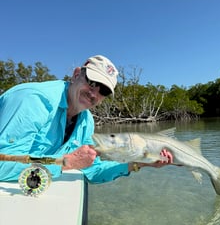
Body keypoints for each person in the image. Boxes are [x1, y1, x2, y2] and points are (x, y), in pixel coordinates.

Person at [0, 55, 173, 183]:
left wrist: (139, 163)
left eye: (103, 91)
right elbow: (2, 165)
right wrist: (65, 163)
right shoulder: (32, 100)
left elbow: (93, 170)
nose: (93, 93)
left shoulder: (86, 121)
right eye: (91, 82)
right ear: (76, 75)